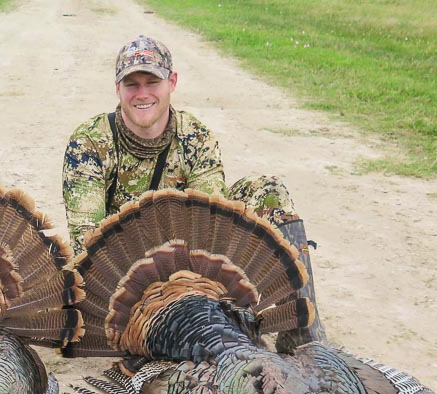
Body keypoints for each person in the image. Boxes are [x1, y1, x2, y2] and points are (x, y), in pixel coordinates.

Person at [61, 35, 324, 350]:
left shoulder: (196, 137)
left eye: (152, 82)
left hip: (191, 272)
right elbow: (86, 243)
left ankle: (305, 336)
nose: (142, 94)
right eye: (132, 84)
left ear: (172, 82)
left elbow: (212, 233)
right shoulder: (89, 143)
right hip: (124, 285)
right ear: (117, 88)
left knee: (269, 190)